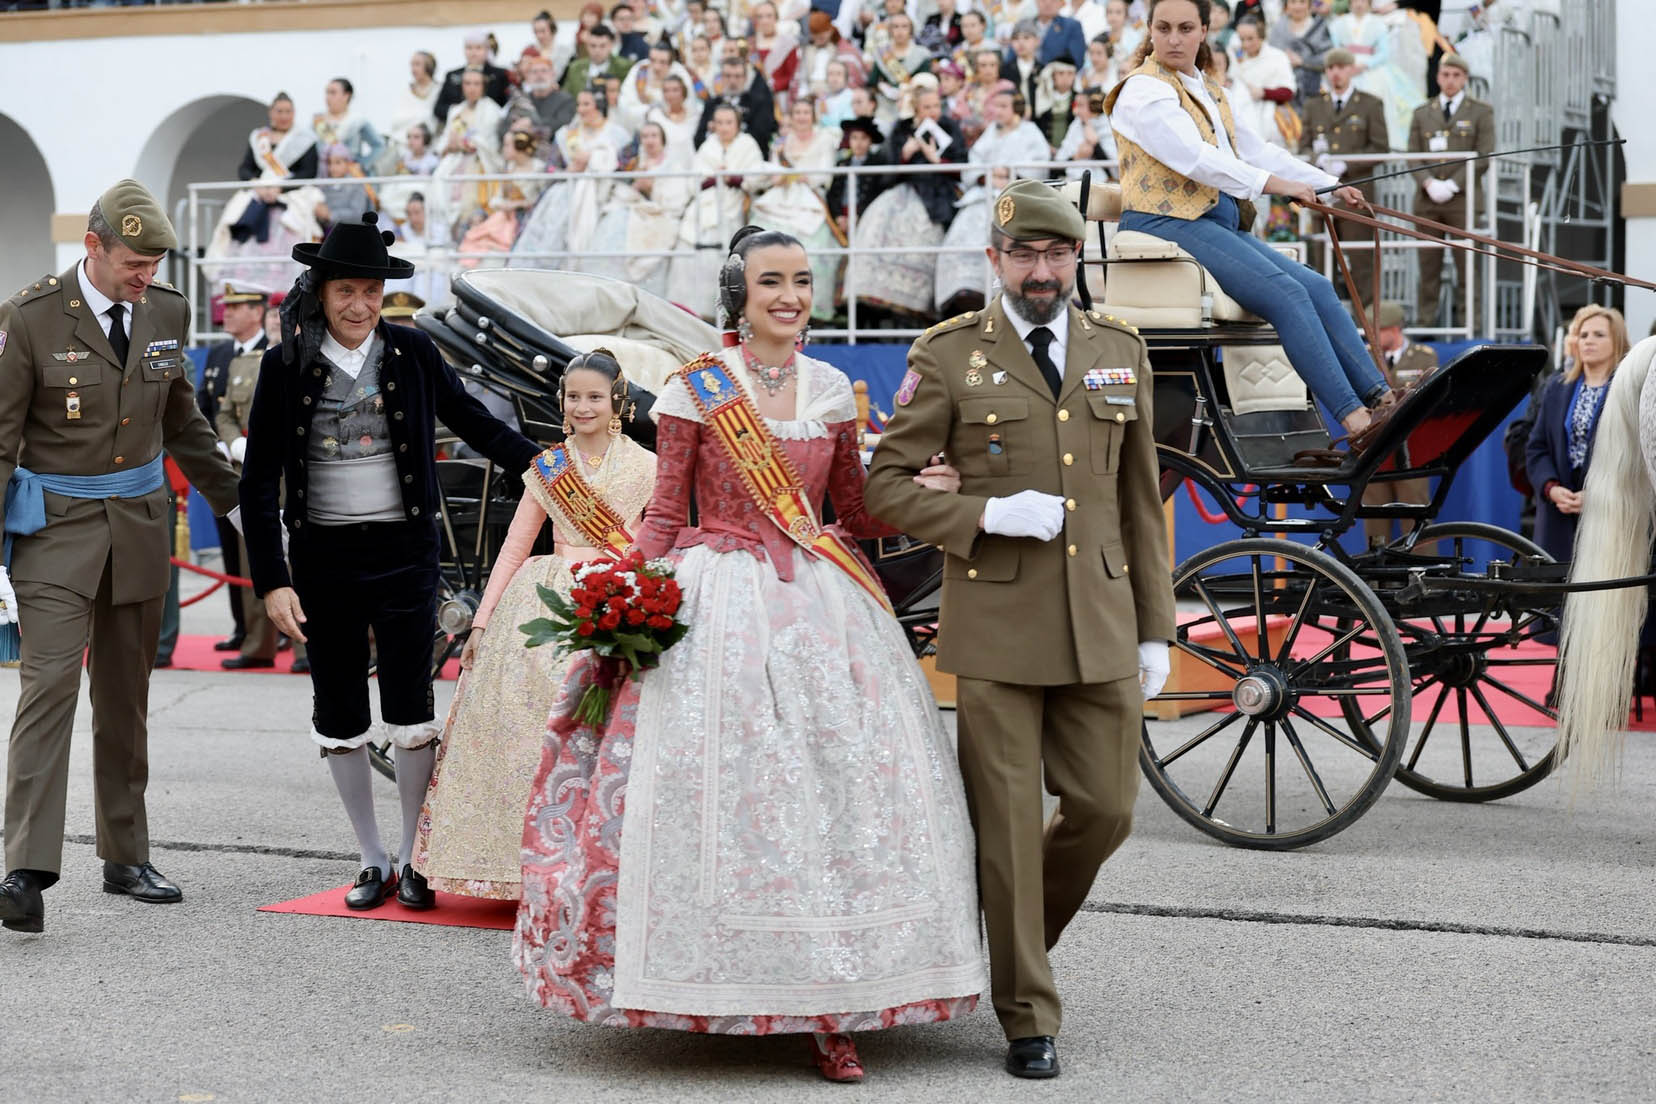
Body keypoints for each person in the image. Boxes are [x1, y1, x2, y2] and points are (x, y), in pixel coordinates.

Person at [515, 226, 985, 1081]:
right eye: (772, 280)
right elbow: (663, 515)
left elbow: (853, 511)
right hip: (717, 601)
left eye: (803, 281)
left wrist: (929, 490)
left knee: (837, 793)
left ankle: (835, 1002)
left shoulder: (835, 388)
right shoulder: (697, 387)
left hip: (822, 604)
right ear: (740, 292)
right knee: (730, 793)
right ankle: (711, 978)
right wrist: (620, 596)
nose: (790, 296)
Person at [865, 178, 1176, 1080]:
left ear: (1077, 257)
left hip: (1103, 622)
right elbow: (885, 486)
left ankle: (1000, 942)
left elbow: (1138, 498)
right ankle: (1027, 1013)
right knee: (1003, 827)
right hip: (997, 623)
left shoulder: (1119, 349)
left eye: (1057, 254)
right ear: (995, 261)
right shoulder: (953, 353)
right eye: (1025, 256)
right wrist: (987, 516)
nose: (1042, 271)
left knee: (1107, 811)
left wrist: (1155, 625)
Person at [238, 212, 540, 912]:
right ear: (320, 292)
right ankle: (369, 856)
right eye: (346, 290)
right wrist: (273, 579)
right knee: (339, 709)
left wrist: (549, 466)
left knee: (412, 704)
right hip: (322, 558)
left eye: (371, 290)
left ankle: (413, 855)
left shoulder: (411, 351)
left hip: (406, 554)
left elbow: (476, 422)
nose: (360, 304)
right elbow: (257, 482)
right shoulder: (286, 365)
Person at [0, 181, 243, 933]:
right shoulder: (30, 318)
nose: (145, 277)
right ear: (94, 247)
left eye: (154, 264)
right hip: (53, 533)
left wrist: (242, 508)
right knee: (49, 690)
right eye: (134, 262)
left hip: (137, 528)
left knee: (125, 700)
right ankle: (24, 869)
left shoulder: (166, 309)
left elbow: (183, 421)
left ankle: (126, 854)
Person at [414, 352, 655, 900]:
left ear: (617, 400)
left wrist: (645, 603)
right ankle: (520, 866)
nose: (583, 406)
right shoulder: (550, 466)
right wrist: (482, 620)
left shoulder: (646, 466)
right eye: (574, 397)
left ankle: (605, 865)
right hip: (543, 601)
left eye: (595, 396)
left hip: (616, 597)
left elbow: (650, 542)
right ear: (562, 403)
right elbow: (516, 545)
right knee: (525, 724)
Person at [1105, 0, 1390, 442]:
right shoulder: (1142, 90)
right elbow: (1197, 160)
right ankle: (1355, 420)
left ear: (1204, 30)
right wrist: (1280, 185)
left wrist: (1327, 185)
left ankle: (1382, 397)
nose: (1174, 38)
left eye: (1185, 28)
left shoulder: (1209, 89)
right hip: (1162, 222)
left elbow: (1255, 151)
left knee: (1315, 286)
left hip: (1209, 222)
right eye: (1164, 28)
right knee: (1288, 294)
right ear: (1151, 30)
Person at [214, 298, 309, 675]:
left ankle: (304, 647)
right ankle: (257, 644)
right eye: (271, 315)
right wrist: (236, 442)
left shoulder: (306, 362)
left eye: (280, 316)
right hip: (251, 469)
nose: (274, 322)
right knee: (252, 554)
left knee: (298, 559)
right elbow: (223, 412)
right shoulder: (243, 363)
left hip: (296, 472)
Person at [1524, 305, 1632, 565]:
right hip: (1559, 512)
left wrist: (1596, 494)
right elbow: (1536, 448)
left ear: (1616, 340)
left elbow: (1635, 454)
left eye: (1598, 335)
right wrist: (1551, 488)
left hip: (1610, 513)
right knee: (1559, 597)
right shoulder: (1557, 387)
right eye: (1583, 335)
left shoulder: (1629, 391)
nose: (1589, 341)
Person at [847, 85, 966, 320]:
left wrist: (937, 160)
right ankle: (872, 301)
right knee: (876, 224)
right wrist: (905, 154)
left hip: (937, 194)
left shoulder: (950, 127)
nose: (932, 112)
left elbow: (962, 168)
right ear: (916, 109)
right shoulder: (902, 129)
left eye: (936, 106)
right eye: (927, 107)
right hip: (903, 189)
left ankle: (919, 305)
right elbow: (887, 169)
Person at [200, 282, 270, 656]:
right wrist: (220, 444)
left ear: (257, 312)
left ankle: (272, 633)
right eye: (225, 307)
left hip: (263, 466)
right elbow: (204, 406)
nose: (225, 312)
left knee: (264, 550)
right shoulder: (220, 352)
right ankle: (243, 627)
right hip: (225, 465)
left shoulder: (270, 351)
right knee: (231, 549)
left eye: (236, 306)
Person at [936, 87, 1049, 315]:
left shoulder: (1030, 133)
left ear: (1016, 108)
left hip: (1016, 196)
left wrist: (1009, 175)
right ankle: (965, 290)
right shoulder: (990, 132)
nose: (997, 112)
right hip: (983, 194)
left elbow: (1039, 166)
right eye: (995, 106)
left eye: (1003, 107)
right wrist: (987, 176)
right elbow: (974, 162)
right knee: (964, 233)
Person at [1406, 52, 1493, 329]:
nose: (1450, 81)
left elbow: (1484, 154)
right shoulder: (1422, 112)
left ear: (1465, 78)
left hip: (1463, 198)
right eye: (1446, 75)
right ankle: (1426, 327)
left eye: (1456, 75)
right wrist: (1429, 183)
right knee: (1428, 266)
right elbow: (1413, 155)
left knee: (1467, 266)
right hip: (1427, 199)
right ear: (1438, 77)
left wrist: (1454, 183)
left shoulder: (1480, 111)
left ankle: (1471, 326)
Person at [1298, 46, 1388, 306]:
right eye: (1330, 68)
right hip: (1321, 195)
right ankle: (1326, 316)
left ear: (1351, 70)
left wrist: (1347, 164)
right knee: (1320, 261)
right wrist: (1318, 162)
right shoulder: (1315, 105)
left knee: (1360, 260)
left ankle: (1370, 319)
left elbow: (1380, 147)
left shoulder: (1370, 104)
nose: (1335, 73)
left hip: (1354, 194)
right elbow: (1303, 145)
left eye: (1341, 67)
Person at [668, 102, 768, 319]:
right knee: (690, 243)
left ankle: (724, 312)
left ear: (737, 124)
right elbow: (695, 180)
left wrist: (732, 177)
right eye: (720, 123)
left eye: (729, 122)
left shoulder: (747, 144)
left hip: (733, 202)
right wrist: (714, 177)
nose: (724, 128)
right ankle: (694, 312)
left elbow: (757, 176)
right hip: (705, 203)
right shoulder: (708, 145)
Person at [750, 98, 845, 321]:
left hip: (809, 196)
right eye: (797, 112)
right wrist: (780, 177)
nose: (801, 117)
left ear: (813, 116)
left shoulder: (824, 140)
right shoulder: (781, 143)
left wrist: (805, 177)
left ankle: (813, 310)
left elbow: (824, 174)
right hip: (783, 195)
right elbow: (774, 170)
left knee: (815, 246)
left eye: (805, 112)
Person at [584, 120, 695, 298]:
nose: (650, 140)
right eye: (645, 136)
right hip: (632, 208)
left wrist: (652, 189)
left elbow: (676, 199)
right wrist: (635, 187)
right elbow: (619, 191)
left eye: (654, 136)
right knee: (614, 222)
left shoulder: (673, 165)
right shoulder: (633, 163)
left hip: (658, 213)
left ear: (662, 140)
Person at [1359, 300, 1438, 546]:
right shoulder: (1363, 357)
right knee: (1375, 526)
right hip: (1376, 450)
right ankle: (1376, 580)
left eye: (1377, 331)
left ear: (1394, 330)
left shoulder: (1424, 358)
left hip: (1411, 449)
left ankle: (1422, 576)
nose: (1371, 337)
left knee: (1415, 521)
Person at [696, 49, 778, 156]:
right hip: (716, 160)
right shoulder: (711, 104)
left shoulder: (759, 103)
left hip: (749, 159)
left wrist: (724, 131)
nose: (732, 81)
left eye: (737, 76)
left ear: (745, 78)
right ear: (721, 78)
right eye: (728, 76)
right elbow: (698, 140)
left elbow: (762, 137)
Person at [825, 115, 885, 238]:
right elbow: (833, 193)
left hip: (866, 214)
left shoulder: (877, 163)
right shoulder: (842, 164)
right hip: (843, 214)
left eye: (863, 138)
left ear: (870, 141)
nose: (858, 143)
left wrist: (859, 215)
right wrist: (838, 216)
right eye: (854, 138)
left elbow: (876, 194)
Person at [434, 32, 513, 124]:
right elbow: (439, 109)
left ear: (487, 50)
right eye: (469, 48)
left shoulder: (500, 75)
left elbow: (506, 105)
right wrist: (459, 111)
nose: (473, 52)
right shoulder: (452, 75)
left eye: (478, 48)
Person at [238, 93, 318, 182]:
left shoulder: (304, 139)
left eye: (288, 111)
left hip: (292, 190)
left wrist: (281, 188)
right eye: (279, 111)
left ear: (294, 113)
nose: (284, 116)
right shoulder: (259, 137)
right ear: (271, 112)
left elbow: (308, 172)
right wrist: (255, 182)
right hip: (260, 189)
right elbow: (245, 168)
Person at [313, 78, 386, 173]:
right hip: (325, 176)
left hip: (350, 177)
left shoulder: (357, 121)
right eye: (327, 93)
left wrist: (362, 164)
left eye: (333, 93)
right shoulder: (319, 120)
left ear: (346, 95)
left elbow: (379, 145)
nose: (328, 97)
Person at [617, 40, 693, 131]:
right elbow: (625, 100)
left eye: (662, 62)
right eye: (653, 60)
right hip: (639, 124)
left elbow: (688, 106)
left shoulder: (680, 74)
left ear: (670, 63)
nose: (657, 67)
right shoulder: (640, 69)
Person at [387, 52, 443, 169]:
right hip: (404, 147)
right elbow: (396, 120)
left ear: (428, 66)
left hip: (430, 148)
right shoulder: (406, 91)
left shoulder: (439, 90)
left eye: (417, 64)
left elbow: (434, 119)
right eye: (412, 65)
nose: (413, 69)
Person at [1270, 0, 1332, 104]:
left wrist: (1302, 61)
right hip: (1283, 91)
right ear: (1287, 5)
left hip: (1314, 90)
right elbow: (1270, 56)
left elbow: (1328, 59)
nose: (1297, 7)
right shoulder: (1278, 28)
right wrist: (1284, 60)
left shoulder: (1319, 27)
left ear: (1309, 5)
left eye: (1302, 2)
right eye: (1293, 2)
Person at [505, 54, 577, 141]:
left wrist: (531, 123)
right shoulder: (521, 100)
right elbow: (505, 124)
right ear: (527, 77)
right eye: (534, 72)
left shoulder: (566, 100)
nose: (539, 75)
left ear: (553, 74)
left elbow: (562, 124)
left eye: (544, 71)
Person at [1055, 86, 1116, 179]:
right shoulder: (1076, 125)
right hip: (1073, 181)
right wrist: (1077, 156)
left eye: (1081, 105)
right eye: (1076, 105)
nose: (1076, 111)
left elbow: (1115, 171)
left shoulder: (1109, 126)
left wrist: (1096, 145)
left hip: (1102, 185)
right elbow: (1056, 168)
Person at [562, 23, 633, 94]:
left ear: (611, 45)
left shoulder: (624, 67)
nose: (597, 50)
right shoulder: (575, 67)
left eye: (602, 46)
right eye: (593, 46)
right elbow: (566, 95)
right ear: (587, 46)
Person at [1033, 0, 1089, 66]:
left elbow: (1077, 58)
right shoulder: (1025, 24)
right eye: (1043, 0)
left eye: (1053, 1)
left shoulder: (1071, 26)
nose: (1048, 3)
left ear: (1061, 3)